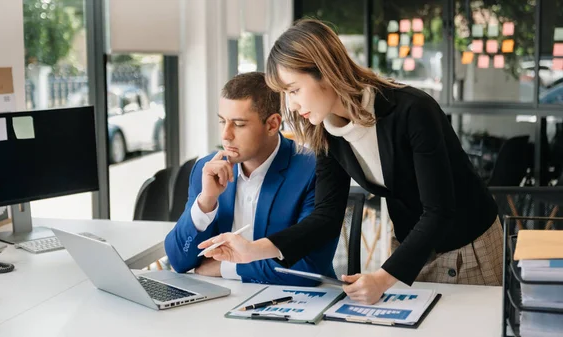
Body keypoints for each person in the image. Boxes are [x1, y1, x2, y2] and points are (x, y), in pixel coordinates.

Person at [199, 19, 503, 304]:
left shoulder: (413, 110)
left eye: (293, 90)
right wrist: (253, 250)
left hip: (468, 245)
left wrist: (382, 279)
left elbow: (438, 211)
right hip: (411, 249)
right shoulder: (325, 130)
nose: (291, 104)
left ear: (326, 72)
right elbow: (326, 217)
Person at [164, 71, 338, 286]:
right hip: (223, 300)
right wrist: (206, 202)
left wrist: (226, 268)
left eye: (238, 124)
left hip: (295, 302)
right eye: (222, 122)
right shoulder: (207, 169)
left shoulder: (314, 169)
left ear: (272, 125)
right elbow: (179, 260)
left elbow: (309, 267)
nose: (226, 135)